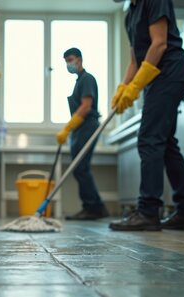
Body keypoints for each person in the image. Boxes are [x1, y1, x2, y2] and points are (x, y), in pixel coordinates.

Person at [109, 0, 184, 231]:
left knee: (149, 139)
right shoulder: (130, 15)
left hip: (170, 73)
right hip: (155, 79)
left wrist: (136, 86)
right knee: (166, 144)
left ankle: (148, 211)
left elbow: (159, 44)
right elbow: (134, 61)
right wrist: (123, 88)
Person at [57, 48, 109, 220]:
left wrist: (68, 127)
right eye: (66, 61)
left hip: (88, 126)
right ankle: (94, 207)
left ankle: (93, 208)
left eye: (70, 59)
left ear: (79, 59)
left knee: (80, 167)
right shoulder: (79, 81)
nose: (68, 64)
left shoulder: (87, 79)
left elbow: (86, 106)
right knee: (80, 168)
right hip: (81, 128)